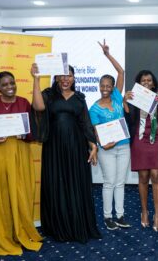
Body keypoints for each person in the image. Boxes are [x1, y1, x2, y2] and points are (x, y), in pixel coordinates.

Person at [0, 71, 43, 255]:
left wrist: (24, 134)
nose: (9, 86)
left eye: (12, 82)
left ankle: (20, 232)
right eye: (4, 84)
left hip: (19, 155)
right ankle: (2, 236)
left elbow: (32, 132)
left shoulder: (23, 103)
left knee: (20, 196)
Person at [30, 63, 101, 243]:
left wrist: (93, 145)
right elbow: (38, 107)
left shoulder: (79, 97)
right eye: (61, 75)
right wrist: (36, 80)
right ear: (56, 78)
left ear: (74, 78)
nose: (65, 79)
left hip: (76, 147)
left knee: (76, 182)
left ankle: (77, 224)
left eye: (69, 75)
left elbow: (85, 123)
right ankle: (59, 226)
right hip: (54, 147)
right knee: (57, 182)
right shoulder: (49, 94)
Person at [88, 40, 131, 230]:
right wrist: (101, 144)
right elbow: (96, 131)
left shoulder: (116, 97)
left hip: (124, 145)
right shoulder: (94, 108)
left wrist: (107, 55)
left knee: (120, 182)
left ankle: (120, 215)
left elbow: (121, 72)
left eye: (108, 85)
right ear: (98, 86)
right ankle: (107, 217)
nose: (105, 88)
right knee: (109, 183)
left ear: (113, 87)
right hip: (107, 149)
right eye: (102, 85)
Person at [123, 70, 158, 232]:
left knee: (156, 175)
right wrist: (125, 103)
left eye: (149, 80)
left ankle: (157, 214)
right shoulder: (134, 98)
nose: (146, 83)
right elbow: (129, 122)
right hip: (140, 139)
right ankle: (144, 211)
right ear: (138, 84)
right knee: (143, 176)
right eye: (143, 81)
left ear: (154, 83)